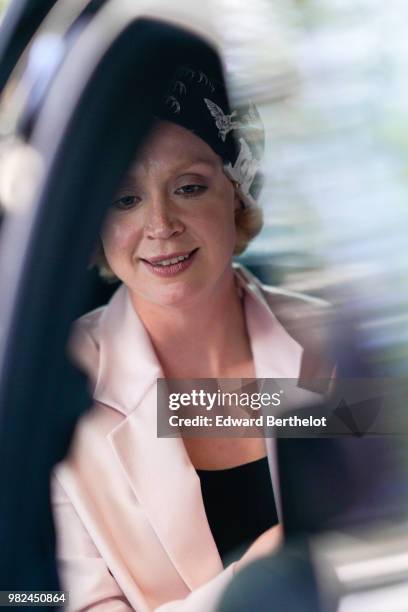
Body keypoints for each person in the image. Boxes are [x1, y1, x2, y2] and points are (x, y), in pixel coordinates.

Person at [52, 64, 333, 611]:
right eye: (124, 199)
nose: (160, 224)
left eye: (188, 187)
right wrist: (262, 574)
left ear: (237, 193)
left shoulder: (330, 345)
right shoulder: (52, 385)